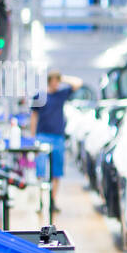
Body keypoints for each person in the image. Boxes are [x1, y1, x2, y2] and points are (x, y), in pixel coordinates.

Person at [31, 69, 82, 213]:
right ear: (49, 81)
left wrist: (62, 77)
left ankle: (53, 201)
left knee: (56, 172)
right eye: (53, 81)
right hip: (42, 136)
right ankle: (41, 201)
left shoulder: (61, 95)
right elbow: (34, 116)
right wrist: (33, 137)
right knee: (40, 170)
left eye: (57, 81)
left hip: (58, 138)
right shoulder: (39, 96)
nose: (56, 84)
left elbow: (78, 83)